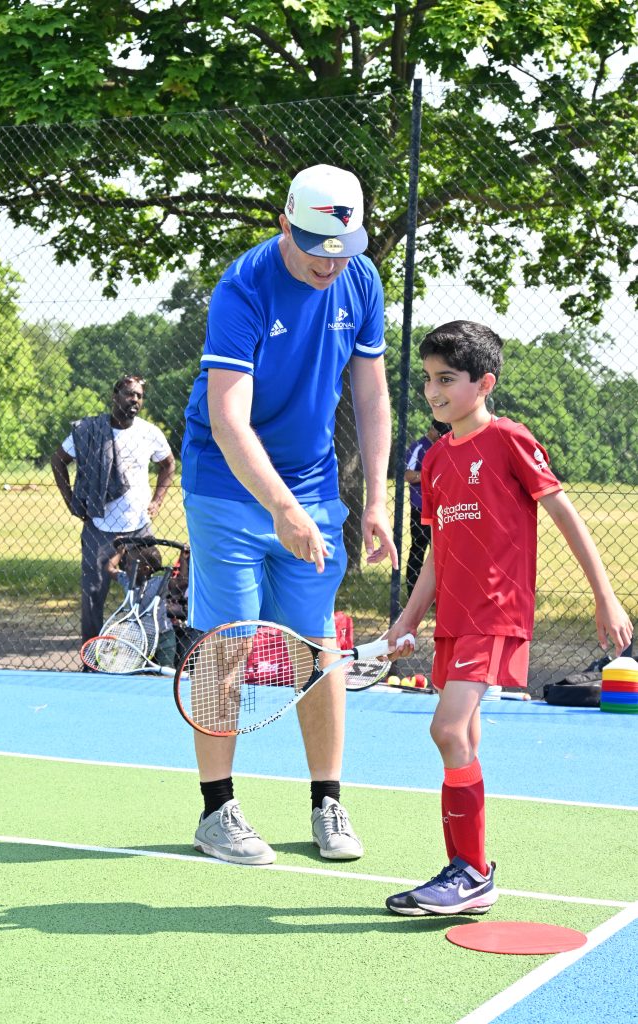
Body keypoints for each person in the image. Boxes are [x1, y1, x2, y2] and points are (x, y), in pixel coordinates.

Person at [180, 163, 398, 866]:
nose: (330, 263)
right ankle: (218, 814)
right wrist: (279, 507)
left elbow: (370, 396)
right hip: (227, 482)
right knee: (229, 644)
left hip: (311, 484)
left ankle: (327, 802)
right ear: (284, 224)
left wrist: (375, 500)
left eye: (342, 249)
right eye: (315, 249)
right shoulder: (242, 288)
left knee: (314, 646)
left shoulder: (360, 278)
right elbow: (228, 419)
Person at [384, 320, 633, 916]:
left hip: (497, 612)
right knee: (462, 734)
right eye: (426, 380)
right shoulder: (438, 460)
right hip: (455, 619)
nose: (433, 391)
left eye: (447, 379)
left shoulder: (510, 439)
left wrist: (605, 596)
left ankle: (469, 872)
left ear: (483, 382)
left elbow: (565, 516)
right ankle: (472, 872)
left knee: (445, 729)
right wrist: (406, 620)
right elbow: (438, 556)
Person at [51, 375, 175, 649]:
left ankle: (141, 650)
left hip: (139, 527)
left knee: (143, 592)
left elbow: (168, 464)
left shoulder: (149, 433)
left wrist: (157, 501)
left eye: (139, 396)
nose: (135, 400)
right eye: (129, 394)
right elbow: (58, 460)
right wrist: (71, 499)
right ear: (115, 396)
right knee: (93, 593)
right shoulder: (89, 431)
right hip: (99, 526)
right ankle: (91, 655)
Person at [106, 543, 177, 668]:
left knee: (166, 671)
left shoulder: (159, 582)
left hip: (164, 637)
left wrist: (184, 555)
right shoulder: (127, 580)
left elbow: (182, 581)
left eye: (129, 564)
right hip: (138, 638)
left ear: (145, 569)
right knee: (137, 671)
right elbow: (110, 568)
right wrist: (120, 552)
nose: (125, 567)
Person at [405, 419, 451, 596]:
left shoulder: (443, 445)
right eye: (439, 433)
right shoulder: (419, 446)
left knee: (440, 552)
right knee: (418, 549)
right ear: (432, 429)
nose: (441, 436)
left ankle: (438, 595)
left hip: (440, 509)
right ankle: (412, 593)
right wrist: (432, 475)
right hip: (420, 507)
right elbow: (409, 475)